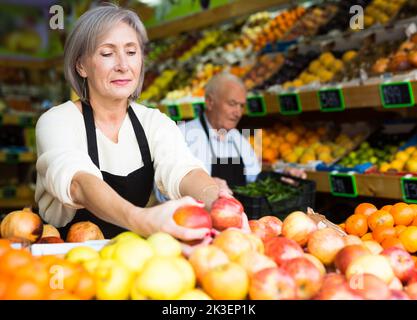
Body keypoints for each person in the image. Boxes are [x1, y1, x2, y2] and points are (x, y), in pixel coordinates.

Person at [35, 4, 245, 242]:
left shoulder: (154, 123)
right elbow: (77, 184)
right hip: (68, 260)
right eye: (107, 53)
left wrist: (217, 201)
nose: (123, 65)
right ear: (81, 65)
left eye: (131, 52)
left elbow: (183, 169)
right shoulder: (57, 122)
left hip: (136, 262)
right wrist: (142, 219)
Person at [155, 73, 306, 202]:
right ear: (210, 102)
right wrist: (198, 187)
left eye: (241, 106)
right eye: (232, 104)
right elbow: (160, 191)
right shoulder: (182, 135)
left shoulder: (239, 139)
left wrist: (282, 176)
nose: (238, 112)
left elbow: (254, 179)